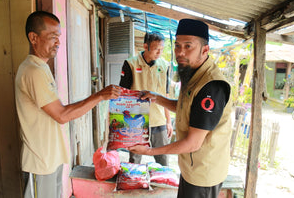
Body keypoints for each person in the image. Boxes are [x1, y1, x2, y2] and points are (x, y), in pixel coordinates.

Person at [15, 11, 121, 198]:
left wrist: (98, 97)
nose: (58, 42)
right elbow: (62, 115)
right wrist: (99, 96)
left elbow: (60, 111)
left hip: (49, 158)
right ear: (33, 38)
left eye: (59, 37)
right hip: (40, 162)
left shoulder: (41, 67)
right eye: (53, 37)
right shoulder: (33, 71)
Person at [129, 19, 232, 198]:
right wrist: (157, 98)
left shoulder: (211, 86)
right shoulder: (193, 72)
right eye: (177, 46)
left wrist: (149, 151)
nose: (180, 52)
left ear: (205, 50)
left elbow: (193, 143)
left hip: (203, 173)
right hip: (191, 167)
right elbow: (186, 108)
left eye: (188, 46)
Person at [119, 31, 173, 166]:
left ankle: (162, 186)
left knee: (163, 161)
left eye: (162, 49)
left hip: (158, 120)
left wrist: (168, 121)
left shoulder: (165, 66)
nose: (159, 52)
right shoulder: (130, 64)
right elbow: (123, 96)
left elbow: (166, 94)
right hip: (135, 122)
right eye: (156, 49)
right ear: (145, 46)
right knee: (134, 161)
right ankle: (134, 185)